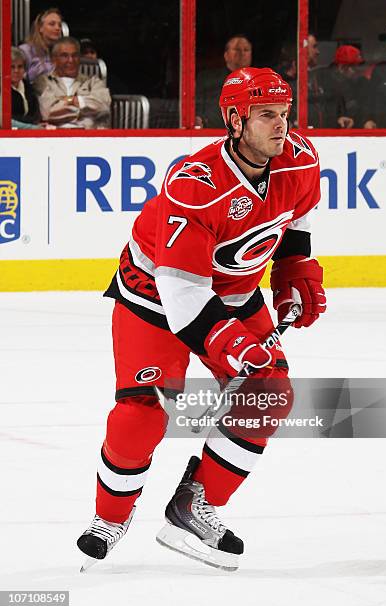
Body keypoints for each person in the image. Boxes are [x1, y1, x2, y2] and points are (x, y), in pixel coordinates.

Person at [76, 67, 326, 572]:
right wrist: (234, 344)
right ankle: (110, 517)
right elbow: (183, 293)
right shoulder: (196, 184)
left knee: (270, 395)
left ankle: (195, 504)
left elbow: (293, 222)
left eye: (284, 114)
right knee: (141, 412)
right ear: (235, 120)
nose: (282, 126)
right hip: (154, 296)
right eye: (266, 116)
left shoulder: (299, 160)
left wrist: (294, 272)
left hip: (232, 290)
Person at [34, 36, 111, 128]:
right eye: (64, 56)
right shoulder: (44, 81)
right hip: (56, 137)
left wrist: (71, 100)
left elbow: (103, 106)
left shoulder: (93, 82)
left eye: (74, 55)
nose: (70, 60)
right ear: (54, 59)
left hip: (89, 135)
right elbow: (48, 112)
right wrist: (86, 112)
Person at [196, 34, 252, 128]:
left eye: (246, 50)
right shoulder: (208, 79)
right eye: (237, 49)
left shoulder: (259, 82)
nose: (242, 53)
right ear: (226, 55)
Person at [326, 45, 370, 129]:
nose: (359, 70)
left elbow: (364, 110)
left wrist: (367, 120)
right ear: (342, 67)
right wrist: (337, 120)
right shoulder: (328, 86)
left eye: (359, 66)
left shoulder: (361, 83)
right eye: (355, 66)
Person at [19, 8, 62, 83]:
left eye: (59, 25)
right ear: (40, 28)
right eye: (52, 24)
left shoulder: (60, 53)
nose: (57, 28)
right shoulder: (25, 50)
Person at [11, 47, 41, 127]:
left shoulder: (28, 86)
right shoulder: (2, 89)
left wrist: (36, 125)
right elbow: (5, 120)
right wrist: (31, 127)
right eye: (12, 67)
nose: (16, 70)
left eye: (20, 67)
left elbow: (35, 114)